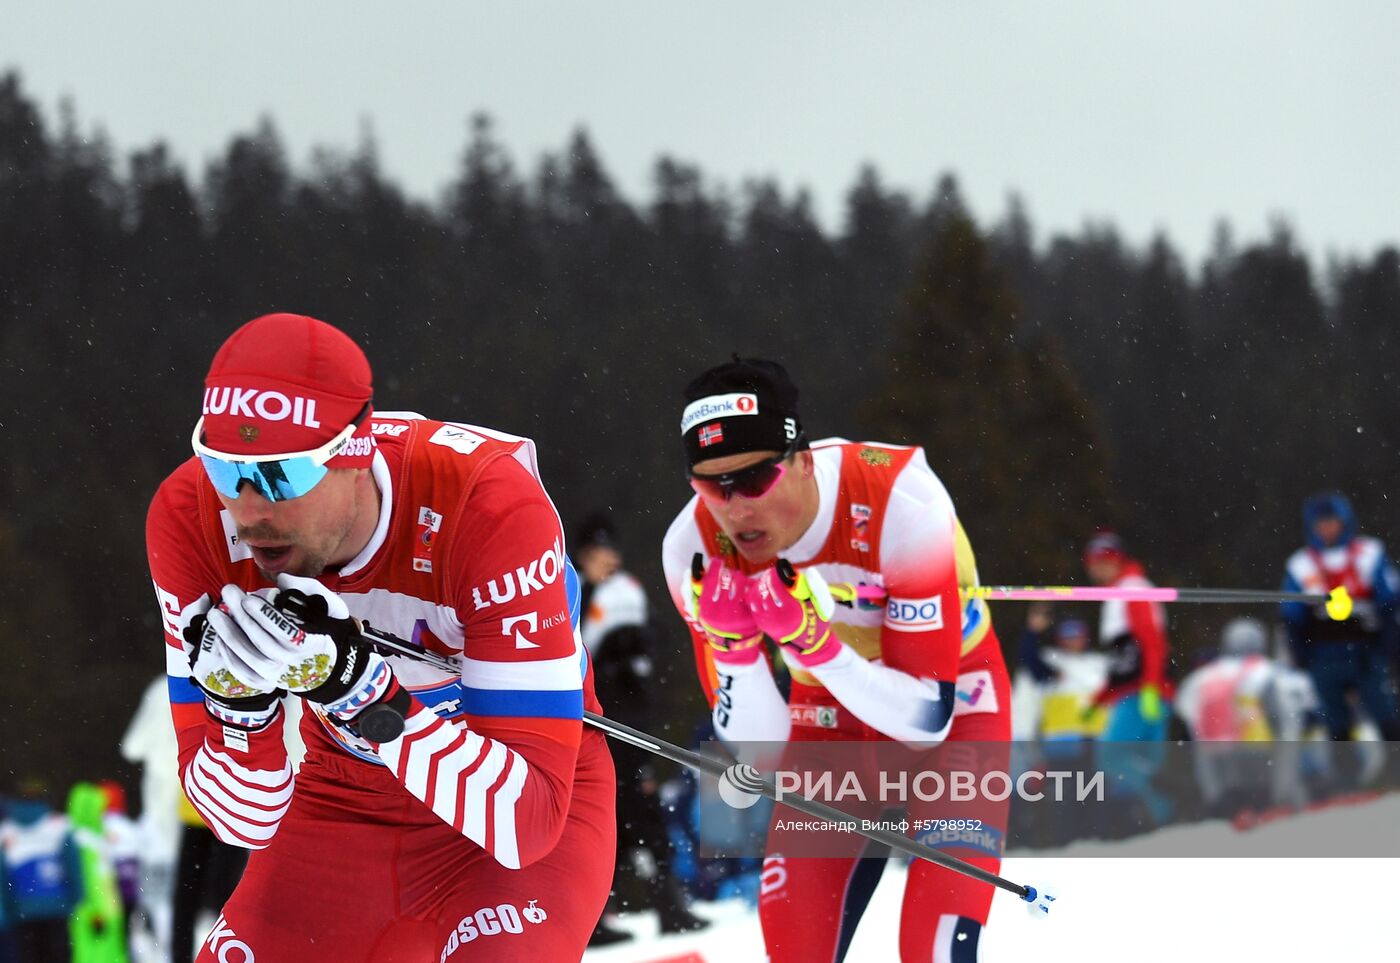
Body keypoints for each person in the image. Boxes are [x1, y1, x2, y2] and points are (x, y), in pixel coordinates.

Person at [144, 313, 614, 962]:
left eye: (280, 475)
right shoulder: (189, 518)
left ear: (354, 452)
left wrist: (356, 689)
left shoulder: (487, 508)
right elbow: (239, 821)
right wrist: (240, 710)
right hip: (343, 797)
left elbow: (525, 821)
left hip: (505, 791)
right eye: (225, 471)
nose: (249, 511)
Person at [661, 358, 1011, 963]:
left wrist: (812, 642)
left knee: (933, 950)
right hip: (825, 727)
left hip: (958, 709)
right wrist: (737, 653)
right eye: (711, 485)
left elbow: (926, 718)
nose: (735, 508)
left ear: (802, 459)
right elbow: (763, 757)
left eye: (753, 481)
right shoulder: (691, 548)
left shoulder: (903, 501)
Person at [572, 513, 708, 945]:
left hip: (630, 729)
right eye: (596, 554)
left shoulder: (626, 593)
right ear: (582, 558)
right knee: (602, 823)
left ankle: (667, 904)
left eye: (609, 552)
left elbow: (650, 657)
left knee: (642, 816)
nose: (606, 561)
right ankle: (594, 918)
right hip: (594, 729)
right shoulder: (574, 595)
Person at [1280, 492, 1400, 744]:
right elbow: (1292, 613)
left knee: (1385, 715)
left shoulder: (1369, 553)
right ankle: (1347, 778)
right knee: (1335, 724)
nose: (1326, 529)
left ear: (1344, 522)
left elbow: (1388, 600)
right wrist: (1300, 652)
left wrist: (1388, 643)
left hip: (1365, 652)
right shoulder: (1300, 565)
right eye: (1320, 523)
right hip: (1324, 654)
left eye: (1331, 521)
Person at [1174, 618, 1319, 815]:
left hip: (1216, 755)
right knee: (1262, 803)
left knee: (1231, 807)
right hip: (1258, 750)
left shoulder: (1201, 677)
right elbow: (1290, 715)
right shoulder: (1268, 670)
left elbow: (1185, 713)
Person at [1082, 530, 1174, 829]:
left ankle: (1163, 806)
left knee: (1112, 757)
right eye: (1094, 561)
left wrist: (1150, 686)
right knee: (1139, 761)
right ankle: (1153, 816)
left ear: (1119, 559)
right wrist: (1099, 700)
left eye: (1106, 560)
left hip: (1143, 692)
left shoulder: (1132, 587)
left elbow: (1152, 642)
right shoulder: (1114, 595)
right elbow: (1120, 663)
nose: (1099, 567)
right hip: (1134, 692)